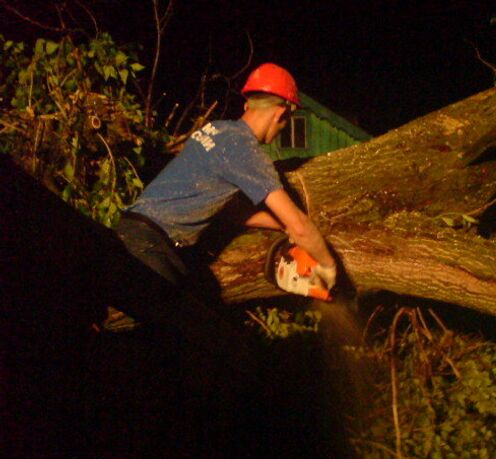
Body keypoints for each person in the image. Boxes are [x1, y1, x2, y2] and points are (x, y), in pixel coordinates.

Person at [115, 62, 337, 296]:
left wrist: (282, 225)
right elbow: (301, 227)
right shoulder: (246, 151)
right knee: (177, 326)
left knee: (203, 306)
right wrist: (328, 266)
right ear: (281, 114)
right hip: (149, 245)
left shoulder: (217, 130)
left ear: (247, 104)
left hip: (132, 232)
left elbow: (232, 213)